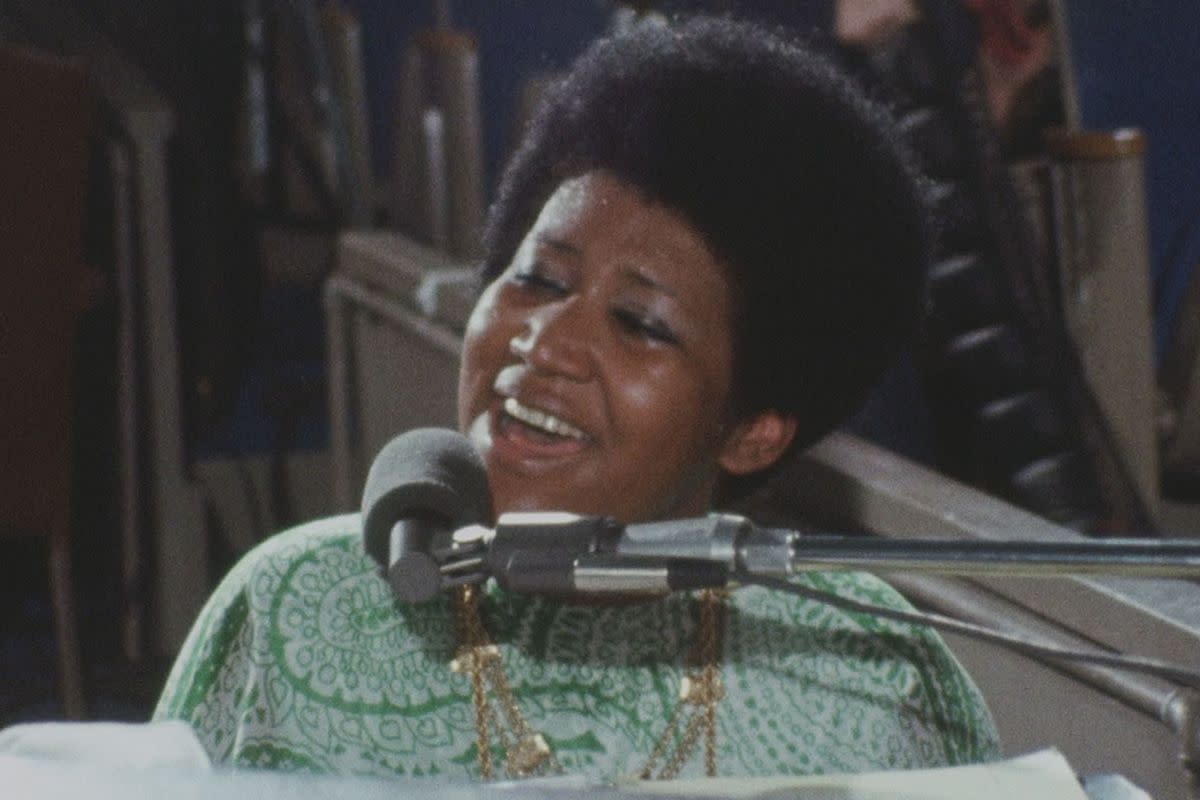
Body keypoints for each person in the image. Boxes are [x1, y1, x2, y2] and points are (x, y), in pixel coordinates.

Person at [154, 16, 1000, 783]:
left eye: (639, 324)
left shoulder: (870, 669)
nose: (546, 342)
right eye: (538, 279)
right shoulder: (294, 605)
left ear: (753, 431)